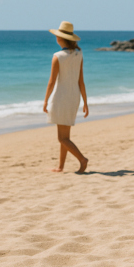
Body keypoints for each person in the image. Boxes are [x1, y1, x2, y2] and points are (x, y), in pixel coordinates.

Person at [43, 21, 89, 173]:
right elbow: (81, 81)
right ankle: (61, 166)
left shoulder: (58, 56)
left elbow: (51, 82)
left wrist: (45, 101)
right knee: (65, 136)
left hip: (61, 98)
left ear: (60, 39)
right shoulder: (79, 54)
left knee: (62, 138)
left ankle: (82, 159)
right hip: (73, 97)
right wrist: (85, 102)